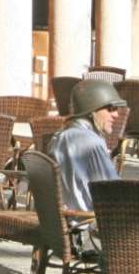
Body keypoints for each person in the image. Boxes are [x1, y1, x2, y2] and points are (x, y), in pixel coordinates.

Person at [48, 78, 124, 213]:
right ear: (91, 110)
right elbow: (113, 191)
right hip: (89, 221)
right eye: (111, 108)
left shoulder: (58, 137)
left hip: (64, 220)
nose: (116, 114)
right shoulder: (91, 143)